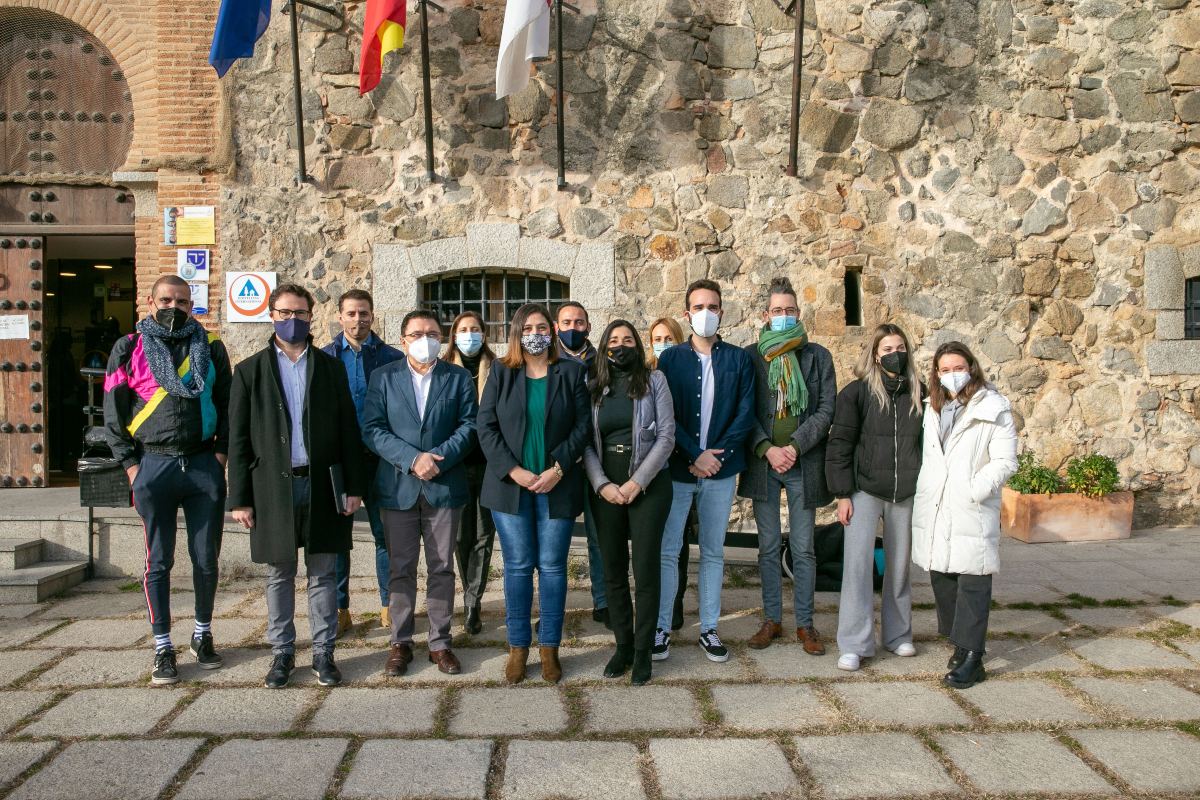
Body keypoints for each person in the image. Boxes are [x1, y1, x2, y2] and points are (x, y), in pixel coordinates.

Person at [227, 283, 365, 689]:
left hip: (321, 485)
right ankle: (282, 653)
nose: (293, 321)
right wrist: (240, 499)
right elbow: (237, 439)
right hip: (272, 488)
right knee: (278, 574)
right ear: (271, 316)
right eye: (285, 313)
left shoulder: (330, 368)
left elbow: (348, 433)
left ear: (311, 317)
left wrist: (353, 486)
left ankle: (324, 652)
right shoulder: (249, 371)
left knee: (324, 572)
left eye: (300, 314)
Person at [103, 276, 231, 686]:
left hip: (201, 464)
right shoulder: (129, 347)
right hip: (153, 463)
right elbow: (113, 411)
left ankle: (202, 634)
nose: (173, 307)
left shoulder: (210, 347)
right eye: (165, 300)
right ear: (148, 300)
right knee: (158, 561)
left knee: (206, 559)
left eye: (181, 301)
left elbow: (228, 404)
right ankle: (162, 647)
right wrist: (130, 466)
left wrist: (221, 454)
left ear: (192, 304)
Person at [477, 303, 590, 684]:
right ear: (517, 333)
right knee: (519, 566)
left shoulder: (572, 372)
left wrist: (558, 468)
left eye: (543, 326)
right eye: (529, 327)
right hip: (512, 488)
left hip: (556, 484)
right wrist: (515, 470)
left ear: (553, 331)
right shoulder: (501, 373)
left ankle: (550, 648)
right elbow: (486, 426)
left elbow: (582, 427)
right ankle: (518, 647)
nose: (536, 333)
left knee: (554, 568)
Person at [361, 310, 478, 677]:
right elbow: (373, 428)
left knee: (442, 568)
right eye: (417, 333)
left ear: (441, 339)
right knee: (401, 568)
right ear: (403, 339)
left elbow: (469, 425)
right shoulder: (383, 377)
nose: (424, 338)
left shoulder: (458, 378)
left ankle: (440, 643)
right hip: (399, 488)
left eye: (432, 333)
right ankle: (400, 641)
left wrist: (436, 461)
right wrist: (412, 459)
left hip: (444, 486)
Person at [654, 279, 756, 663]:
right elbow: (666, 416)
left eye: (712, 307)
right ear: (687, 314)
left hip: (721, 471)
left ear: (722, 313)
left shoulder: (738, 360)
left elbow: (745, 414)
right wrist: (695, 453)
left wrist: (717, 456)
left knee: (713, 551)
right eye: (698, 307)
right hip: (679, 469)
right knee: (669, 550)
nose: (706, 314)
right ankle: (662, 628)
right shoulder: (671, 360)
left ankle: (710, 628)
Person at [737, 278, 835, 655]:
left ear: (798, 313)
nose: (783, 316)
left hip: (802, 462)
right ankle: (772, 619)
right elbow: (742, 409)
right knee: (765, 547)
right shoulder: (750, 356)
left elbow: (826, 409)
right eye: (776, 311)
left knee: (805, 548)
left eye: (789, 310)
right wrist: (765, 447)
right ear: (765, 315)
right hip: (763, 464)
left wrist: (794, 446)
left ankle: (806, 625)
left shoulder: (817, 356)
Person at [912, 341, 1018, 690]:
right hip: (938, 502)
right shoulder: (933, 407)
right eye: (945, 369)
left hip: (971, 502)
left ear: (971, 367)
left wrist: (976, 488)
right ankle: (959, 644)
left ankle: (973, 656)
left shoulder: (993, 406)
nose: (952, 374)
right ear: (937, 374)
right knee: (943, 575)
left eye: (958, 367)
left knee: (973, 578)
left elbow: (1005, 460)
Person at [825, 324, 925, 671]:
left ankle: (898, 636)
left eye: (899, 347)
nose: (894, 354)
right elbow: (839, 444)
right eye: (886, 349)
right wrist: (842, 494)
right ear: (875, 355)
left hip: (905, 492)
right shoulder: (856, 393)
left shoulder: (920, 393)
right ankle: (854, 642)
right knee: (857, 568)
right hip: (864, 490)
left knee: (898, 569)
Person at [584, 320, 675, 685]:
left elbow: (667, 436)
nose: (621, 346)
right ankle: (622, 645)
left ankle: (642, 651)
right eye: (614, 341)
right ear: (604, 347)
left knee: (646, 568)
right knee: (613, 569)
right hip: (606, 486)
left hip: (649, 485)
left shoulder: (655, 381)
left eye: (628, 341)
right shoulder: (593, 386)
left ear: (638, 346)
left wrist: (637, 482)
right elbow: (586, 442)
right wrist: (602, 483)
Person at [323, 289, 404, 636]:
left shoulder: (391, 358)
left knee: (385, 535)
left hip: (380, 460)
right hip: (340, 461)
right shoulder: (324, 358)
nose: (358, 320)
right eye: (351, 313)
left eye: (364, 313)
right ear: (340, 317)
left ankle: (389, 605)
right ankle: (341, 608)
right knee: (338, 538)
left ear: (373, 316)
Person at [554, 300, 609, 628]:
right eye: (566, 322)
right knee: (554, 542)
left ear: (588, 326)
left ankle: (602, 601)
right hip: (558, 459)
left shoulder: (601, 361)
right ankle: (553, 608)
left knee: (598, 537)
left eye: (579, 322)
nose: (573, 328)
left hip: (596, 458)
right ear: (556, 325)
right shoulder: (545, 359)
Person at [443, 310, 497, 634]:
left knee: (483, 535)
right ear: (454, 334)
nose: (470, 334)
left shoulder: (499, 367)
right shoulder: (444, 370)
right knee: (461, 537)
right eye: (464, 329)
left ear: (484, 333)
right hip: (457, 466)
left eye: (475, 329)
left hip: (490, 465)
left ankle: (473, 601)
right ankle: (468, 591)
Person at [646, 316, 693, 632]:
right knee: (656, 544)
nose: (662, 344)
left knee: (679, 544)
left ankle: (674, 607)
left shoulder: (688, 375)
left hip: (684, 465)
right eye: (657, 338)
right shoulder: (645, 374)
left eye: (668, 338)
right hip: (652, 468)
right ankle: (656, 607)